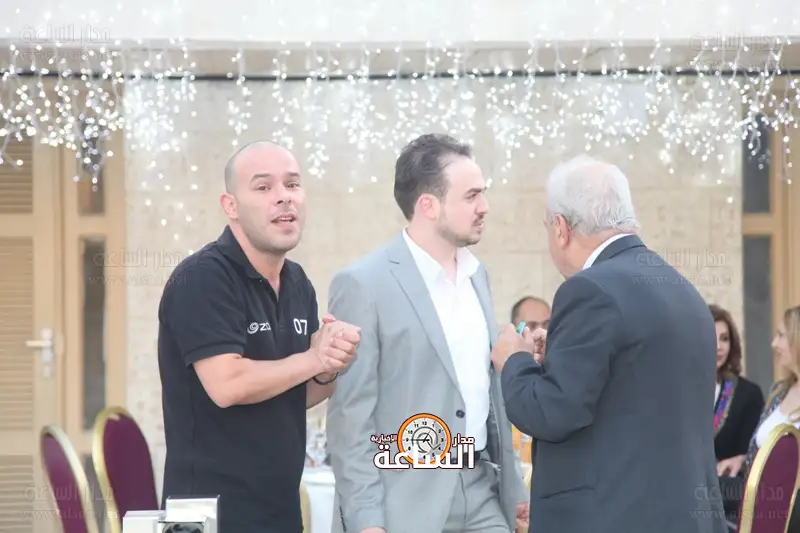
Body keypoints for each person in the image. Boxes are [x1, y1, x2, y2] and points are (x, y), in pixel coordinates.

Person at [490, 155, 727, 533]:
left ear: (561, 228)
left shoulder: (589, 289)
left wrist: (515, 360)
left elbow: (551, 413)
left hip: (615, 516)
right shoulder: (683, 290)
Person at [325, 133, 528, 533]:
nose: (484, 207)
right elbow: (350, 418)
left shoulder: (477, 275)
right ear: (428, 206)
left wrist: (514, 489)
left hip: (483, 492)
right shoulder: (363, 283)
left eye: (483, 193)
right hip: (402, 502)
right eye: (471, 196)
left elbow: (484, 393)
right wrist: (367, 519)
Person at [157, 141, 361, 533]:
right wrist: (313, 359)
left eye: (293, 184)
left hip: (279, 508)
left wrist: (329, 367)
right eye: (264, 187)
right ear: (230, 205)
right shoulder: (201, 279)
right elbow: (227, 385)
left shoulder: (297, 282)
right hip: (211, 514)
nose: (284, 197)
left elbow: (296, 394)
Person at [719, 305, 800, 531]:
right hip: (757, 494)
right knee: (700, 489)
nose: (774, 343)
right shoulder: (780, 390)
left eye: (781, 336)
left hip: (788, 507)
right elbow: (772, 450)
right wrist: (743, 459)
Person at [710, 304, 764, 468]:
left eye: (724, 339)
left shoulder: (748, 394)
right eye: (711, 337)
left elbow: (751, 456)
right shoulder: (680, 390)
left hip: (726, 482)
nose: (719, 347)